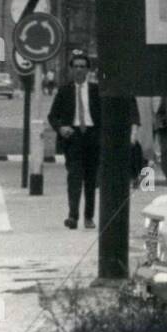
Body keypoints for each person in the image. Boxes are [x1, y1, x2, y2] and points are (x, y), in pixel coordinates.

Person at [47, 50, 102, 229]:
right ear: (71, 69)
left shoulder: (96, 90)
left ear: (88, 70)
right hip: (73, 137)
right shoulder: (64, 91)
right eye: (76, 66)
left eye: (82, 67)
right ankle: (73, 216)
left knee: (91, 179)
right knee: (74, 177)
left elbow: (104, 115)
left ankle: (89, 217)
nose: (79, 70)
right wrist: (61, 128)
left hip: (92, 136)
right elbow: (52, 116)